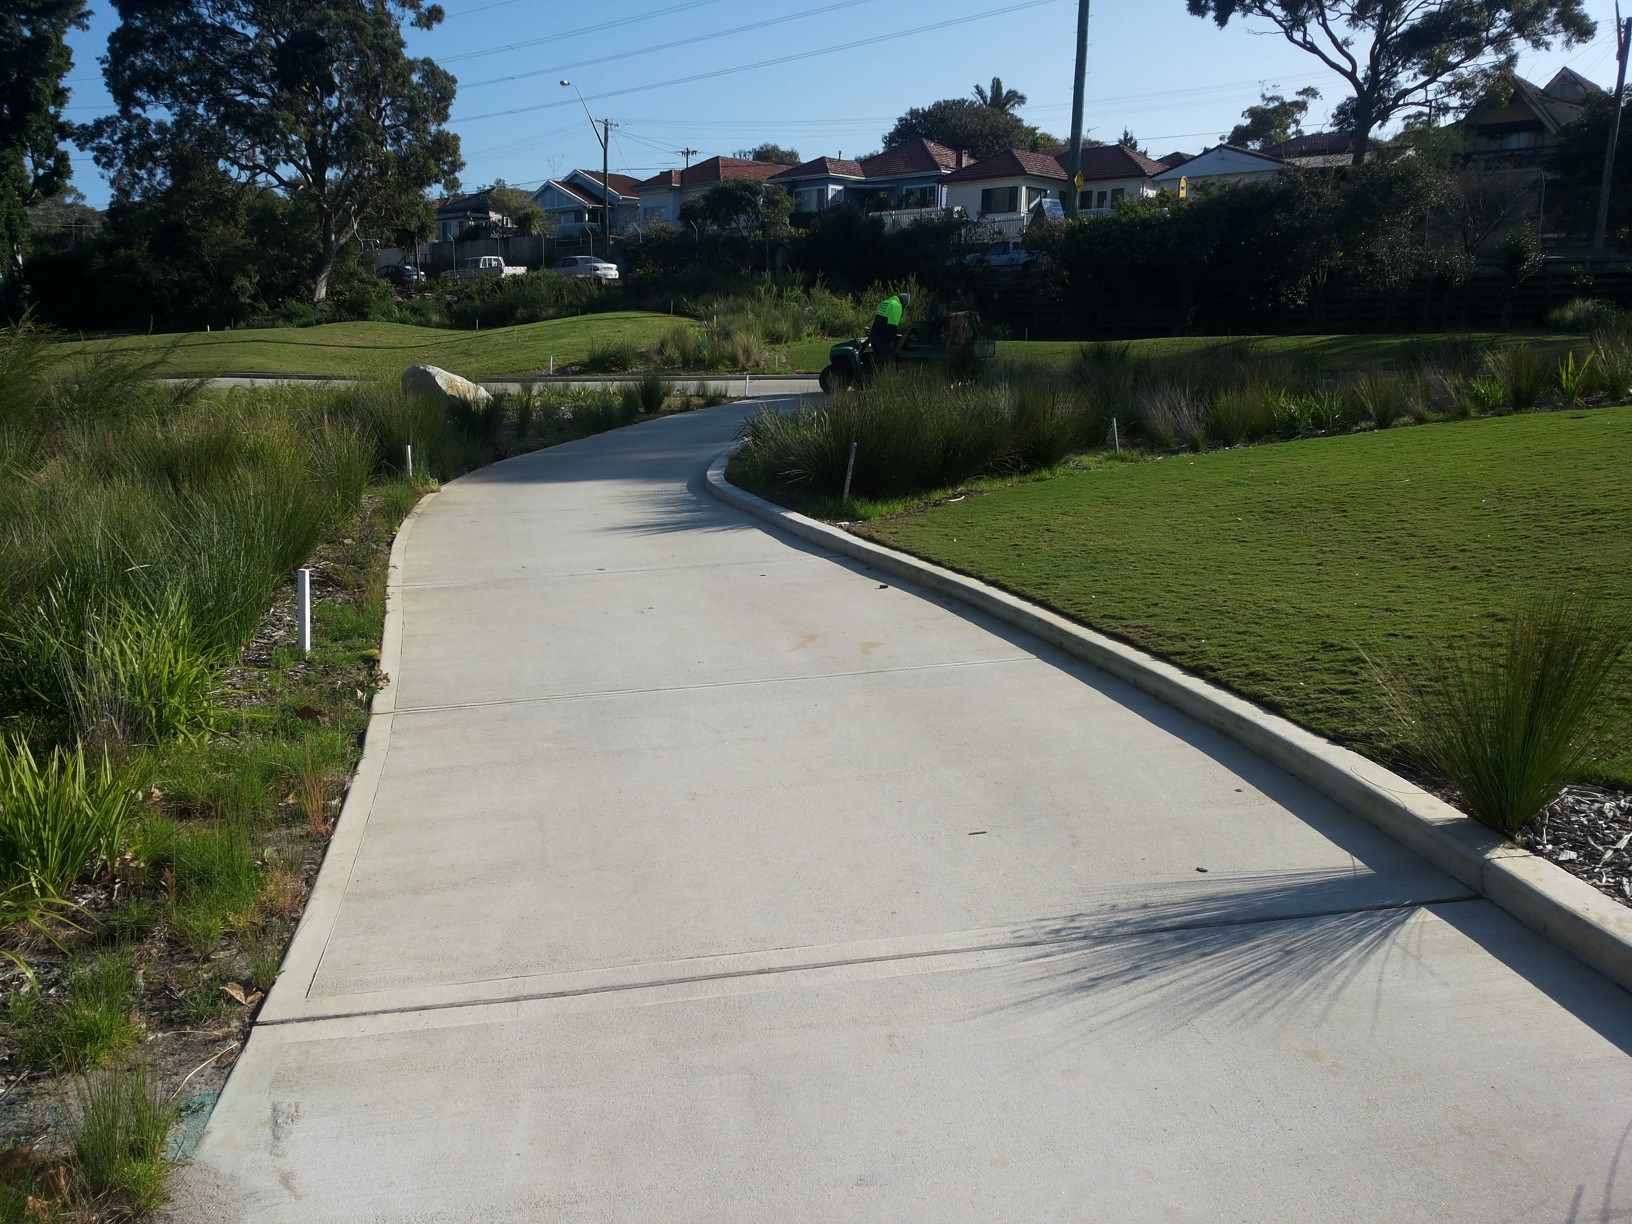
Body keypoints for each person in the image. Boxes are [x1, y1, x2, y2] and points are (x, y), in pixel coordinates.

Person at [867, 290, 911, 369]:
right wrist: (895, 340)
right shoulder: (896, 306)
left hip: (873, 336)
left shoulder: (885, 302)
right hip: (882, 339)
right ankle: (883, 380)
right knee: (885, 364)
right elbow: (892, 327)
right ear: (903, 303)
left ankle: (874, 379)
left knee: (876, 363)